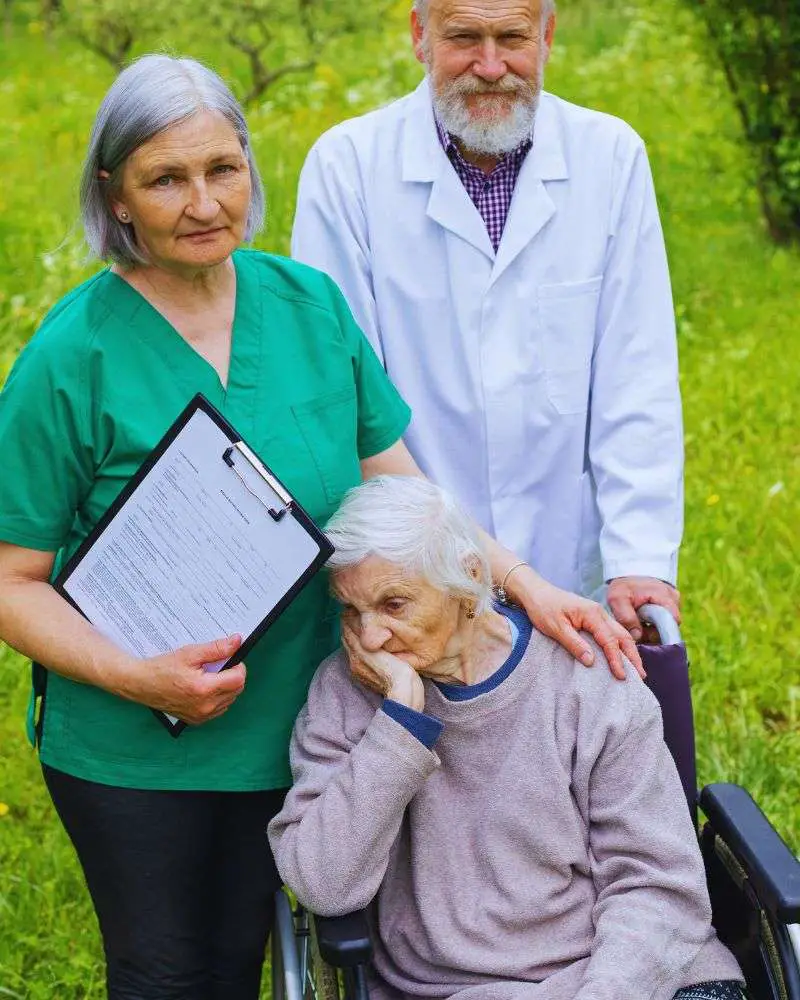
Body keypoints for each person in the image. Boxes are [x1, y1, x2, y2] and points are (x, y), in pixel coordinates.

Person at [0, 54, 639, 999]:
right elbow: (12, 580)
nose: (203, 201)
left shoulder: (308, 307)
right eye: (166, 178)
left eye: (222, 168)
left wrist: (532, 587)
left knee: (243, 965)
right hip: (137, 745)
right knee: (167, 976)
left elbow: (411, 498)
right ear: (116, 194)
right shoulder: (71, 355)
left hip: (304, 723)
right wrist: (139, 678)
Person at [291, 0, 684, 639]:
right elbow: (348, 405)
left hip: (568, 567)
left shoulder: (610, 158)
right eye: (465, 37)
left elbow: (635, 377)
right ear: (420, 35)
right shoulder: (347, 169)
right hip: (409, 575)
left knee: (573, 736)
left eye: (512, 37)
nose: (491, 65)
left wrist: (639, 557)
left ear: (549, 36)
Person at [269, 476, 744, 1000]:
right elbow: (323, 884)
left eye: (394, 604)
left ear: (468, 581)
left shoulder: (585, 680)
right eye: (352, 611)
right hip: (454, 989)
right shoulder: (345, 692)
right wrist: (400, 723)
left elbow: (657, 883)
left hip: (630, 974)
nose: (372, 636)